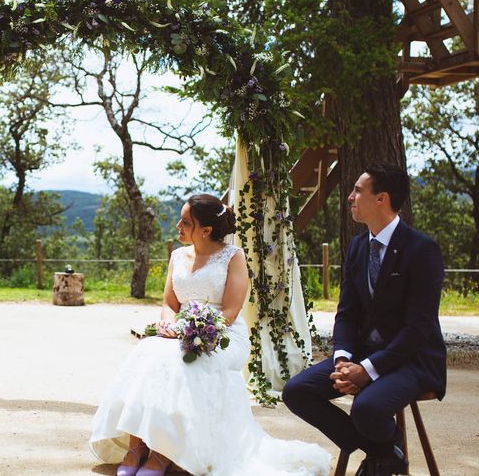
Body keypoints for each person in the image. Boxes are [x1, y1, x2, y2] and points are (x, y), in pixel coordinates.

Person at [90, 193, 331, 476]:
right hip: (180, 333)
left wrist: (192, 330)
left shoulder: (233, 257)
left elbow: (230, 310)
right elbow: (169, 303)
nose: (177, 226)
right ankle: (136, 445)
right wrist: (169, 325)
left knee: (180, 362)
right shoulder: (178, 256)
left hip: (222, 335)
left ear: (205, 230)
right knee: (147, 353)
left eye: (185, 222)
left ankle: (162, 452)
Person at [282, 163, 446, 476]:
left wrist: (367, 370)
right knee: (296, 391)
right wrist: (343, 359)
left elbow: (418, 329)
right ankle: (386, 452)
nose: (350, 197)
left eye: (358, 190)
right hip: (359, 354)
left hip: (412, 360)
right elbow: (347, 313)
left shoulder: (422, 249)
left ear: (381, 199)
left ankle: (381, 457)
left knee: (367, 408)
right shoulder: (358, 246)